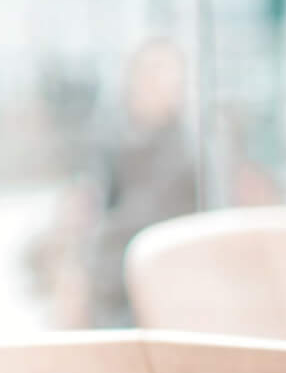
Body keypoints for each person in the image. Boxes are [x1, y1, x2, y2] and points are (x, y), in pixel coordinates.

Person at [82, 37, 199, 328]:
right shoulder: (110, 139)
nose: (162, 82)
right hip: (116, 282)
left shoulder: (195, 148)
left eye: (169, 73)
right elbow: (98, 209)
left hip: (176, 278)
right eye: (152, 72)